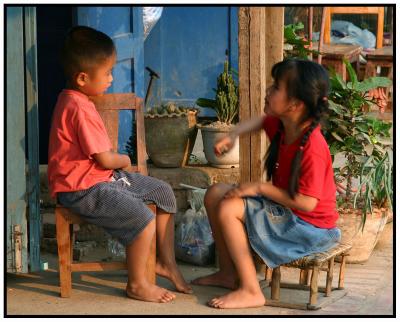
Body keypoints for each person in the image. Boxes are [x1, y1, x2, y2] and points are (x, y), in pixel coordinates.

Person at [48, 26, 192, 303]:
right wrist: (127, 160)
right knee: (141, 217)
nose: (112, 79)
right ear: (82, 78)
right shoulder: (77, 108)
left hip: (99, 178)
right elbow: (104, 159)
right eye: (107, 73)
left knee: (163, 192)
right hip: (81, 189)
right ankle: (137, 284)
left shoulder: (78, 99)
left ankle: (166, 263)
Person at [192, 59, 341, 309]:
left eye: (276, 87)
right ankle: (228, 274)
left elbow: (307, 203)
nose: (269, 92)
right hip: (289, 213)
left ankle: (251, 290)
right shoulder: (285, 126)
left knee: (229, 208)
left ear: (295, 104)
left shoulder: (312, 146)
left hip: (310, 228)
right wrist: (233, 135)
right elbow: (260, 121)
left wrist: (259, 188)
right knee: (215, 193)